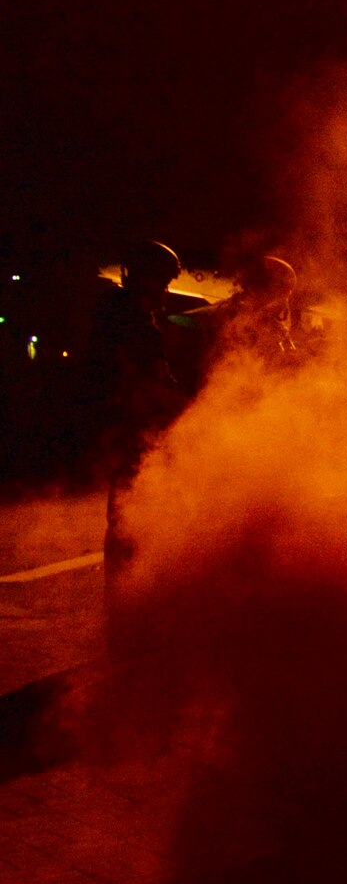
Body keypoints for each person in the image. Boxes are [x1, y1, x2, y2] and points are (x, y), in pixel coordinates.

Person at [79, 240, 189, 610]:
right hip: (134, 435)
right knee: (136, 522)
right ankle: (131, 608)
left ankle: (127, 604)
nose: (166, 291)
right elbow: (148, 384)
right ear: (147, 278)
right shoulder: (133, 321)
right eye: (163, 281)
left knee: (128, 523)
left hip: (126, 432)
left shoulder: (116, 313)